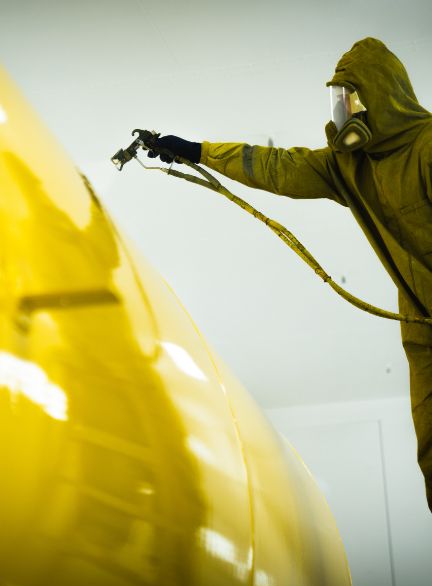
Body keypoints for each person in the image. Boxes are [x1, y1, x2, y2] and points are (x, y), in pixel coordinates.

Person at [146, 37, 432, 511]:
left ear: (383, 93)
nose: (343, 110)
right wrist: (196, 150)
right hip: (422, 325)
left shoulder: (426, 145)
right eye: (338, 100)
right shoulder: (348, 166)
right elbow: (277, 167)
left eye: (350, 96)